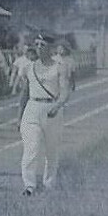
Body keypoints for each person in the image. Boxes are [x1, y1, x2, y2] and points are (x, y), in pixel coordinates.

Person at [19, 33, 71, 196]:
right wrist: (19, 117)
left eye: (42, 45)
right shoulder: (29, 67)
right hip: (33, 108)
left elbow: (64, 92)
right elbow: (24, 93)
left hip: (51, 109)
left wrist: (57, 106)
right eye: (37, 44)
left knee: (51, 150)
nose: (39, 47)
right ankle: (29, 185)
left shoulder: (59, 67)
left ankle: (49, 184)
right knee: (31, 148)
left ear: (51, 48)